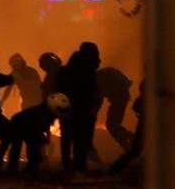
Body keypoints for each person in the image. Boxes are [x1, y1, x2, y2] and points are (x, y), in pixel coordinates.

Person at [0, 92, 71, 174]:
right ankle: (5, 168)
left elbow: (45, 127)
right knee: (15, 145)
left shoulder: (49, 112)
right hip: (18, 123)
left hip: (29, 127)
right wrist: (43, 140)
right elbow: (38, 128)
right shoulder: (41, 114)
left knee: (32, 147)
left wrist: (46, 138)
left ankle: (30, 168)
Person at [55, 42, 103, 172]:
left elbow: (57, 91)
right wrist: (94, 107)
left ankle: (67, 165)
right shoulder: (88, 72)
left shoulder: (64, 72)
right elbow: (94, 92)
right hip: (83, 110)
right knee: (81, 140)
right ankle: (79, 165)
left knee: (67, 138)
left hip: (69, 110)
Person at [109, 80, 144, 174]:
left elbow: (135, 107)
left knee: (135, 150)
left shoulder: (142, 98)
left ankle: (115, 169)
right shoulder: (150, 98)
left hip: (144, 124)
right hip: (148, 124)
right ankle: (114, 169)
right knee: (136, 149)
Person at [96, 66, 134, 150]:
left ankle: (133, 144)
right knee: (113, 126)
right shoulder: (105, 72)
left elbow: (99, 98)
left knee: (112, 126)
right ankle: (133, 142)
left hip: (119, 99)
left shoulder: (99, 78)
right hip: (120, 98)